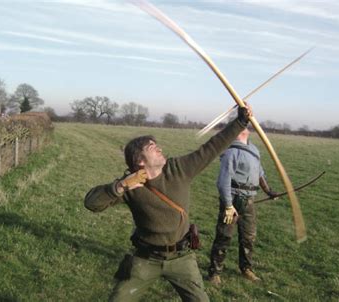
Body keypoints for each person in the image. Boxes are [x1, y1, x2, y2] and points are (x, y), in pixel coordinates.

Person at [84, 106, 252, 301]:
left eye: (157, 146)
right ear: (139, 161)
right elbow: (91, 203)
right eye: (152, 148)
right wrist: (120, 186)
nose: (160, 149)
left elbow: (211, 148)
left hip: (181, 258)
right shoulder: (130, 184)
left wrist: (240, 121)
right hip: (146, 259)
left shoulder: (179, 168)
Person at [207, 127, 277, 285]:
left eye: (245, 125)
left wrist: (269, 191)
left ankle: (246, 268)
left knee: (248, 237)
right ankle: (215, 272)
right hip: (232, 199)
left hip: (249, 200)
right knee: (224, 236)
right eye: (240, 125)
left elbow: (260, 173)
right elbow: (223, 181)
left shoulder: (254, 150)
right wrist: (228, 205)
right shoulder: (230, 151)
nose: (244, 127)